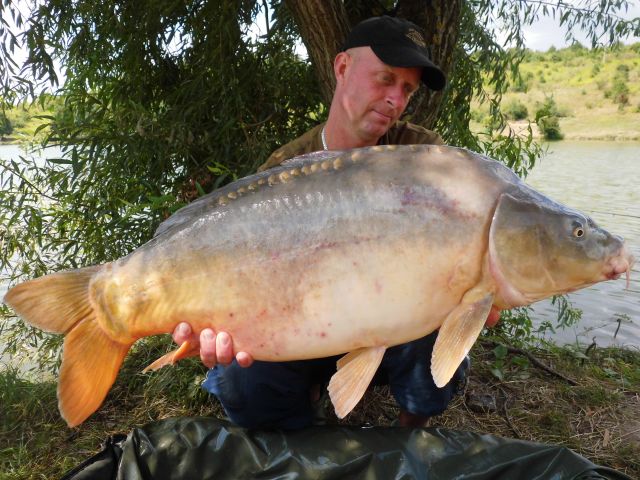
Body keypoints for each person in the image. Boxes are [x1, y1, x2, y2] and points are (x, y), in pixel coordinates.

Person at [172, 15, 501, 429]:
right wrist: (216, 320)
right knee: (240, 380)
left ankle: (409, 437)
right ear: (342, 67)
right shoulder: (284, 170)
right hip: (300, 326)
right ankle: (302, 433)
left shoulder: (424, 159)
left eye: (407, 90)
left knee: (437, 325)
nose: (395, 101)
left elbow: (478, 290)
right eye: (385, 79)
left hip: (389, 324)